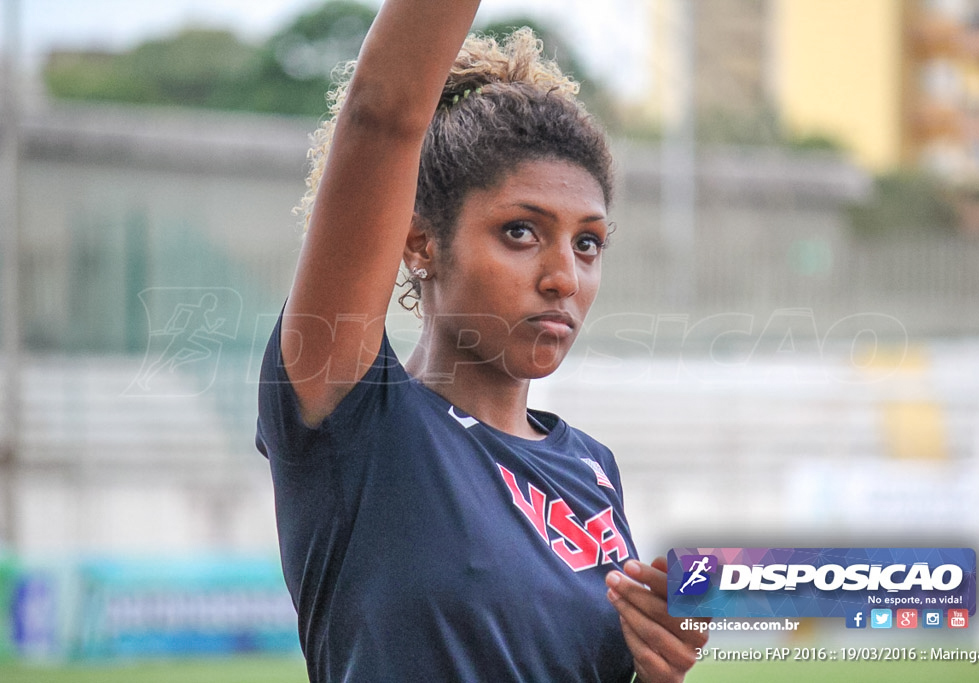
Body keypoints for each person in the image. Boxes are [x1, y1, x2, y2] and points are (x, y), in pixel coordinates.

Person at [255, 1, 707, 680]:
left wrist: (658, 671)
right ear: (420, 243)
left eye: (588, 243)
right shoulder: (355, 417)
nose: (564, 277)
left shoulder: (591, 469)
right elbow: (383, 117)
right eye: (521, 231)